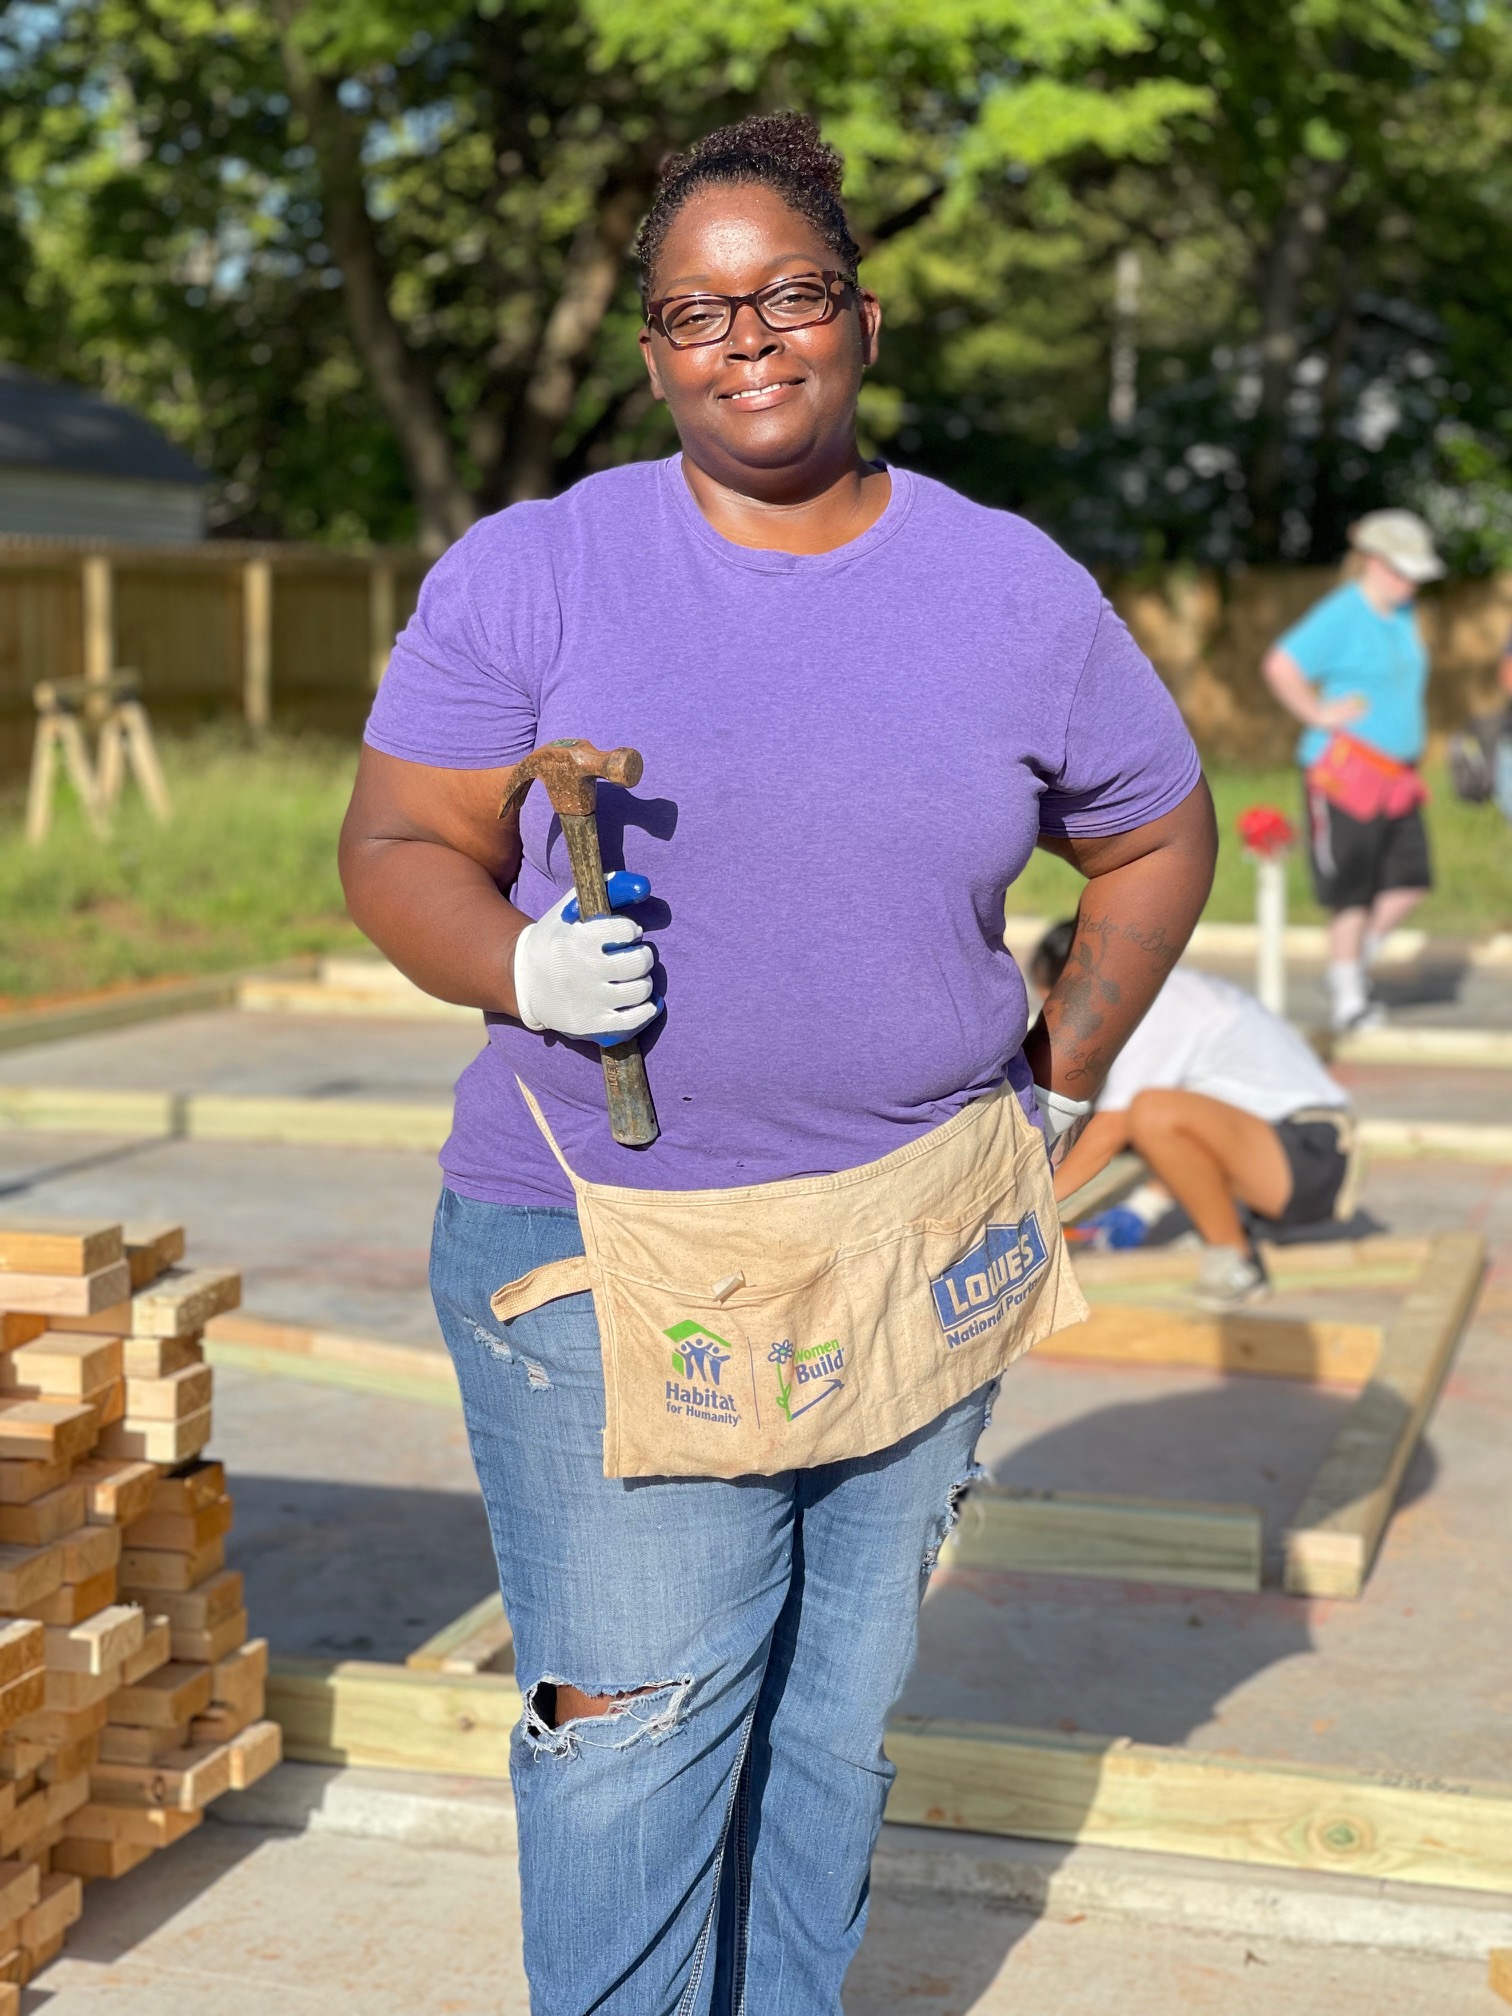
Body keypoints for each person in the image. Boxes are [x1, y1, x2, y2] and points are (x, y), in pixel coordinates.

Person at [339, 111, 1215, 2014]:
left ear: (863, 320)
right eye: (697, 309)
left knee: (825, 1722)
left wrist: (1058, 1072)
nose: (748, 338)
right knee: (640, 1725)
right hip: (607, 1244)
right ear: (651, 350)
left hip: (919, 1230)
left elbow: (1156, 825)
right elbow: (395, 842)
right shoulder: (536, 571)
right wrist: (516, 963)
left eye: (789, 293)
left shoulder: (1008, 589)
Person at [1035, 922, 1354, 1309]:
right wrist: (1143, 1208)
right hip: (1297, 1146)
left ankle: (1236, 1263)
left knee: (1150, 1111)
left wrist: (1037, 1202)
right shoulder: (1159, 987)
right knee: (1155, 1111)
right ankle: (1222, 1228)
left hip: (1312, 1154)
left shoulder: (1158, 1004)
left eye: (1053, 1000)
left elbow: (1118, 1125)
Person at [1261, 509, 1445, 1035]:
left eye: (1415, 573)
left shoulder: (1403, 614)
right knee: (1354, 890)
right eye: (1401, 571)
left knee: (1410, 881)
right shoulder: (1343, 612)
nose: (1410, 582)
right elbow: (1281, 665)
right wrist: (1317, 714)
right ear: (1372, 561)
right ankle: (1349, 997)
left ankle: (1349, 965)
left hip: (1396, 774)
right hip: (1345, 770)